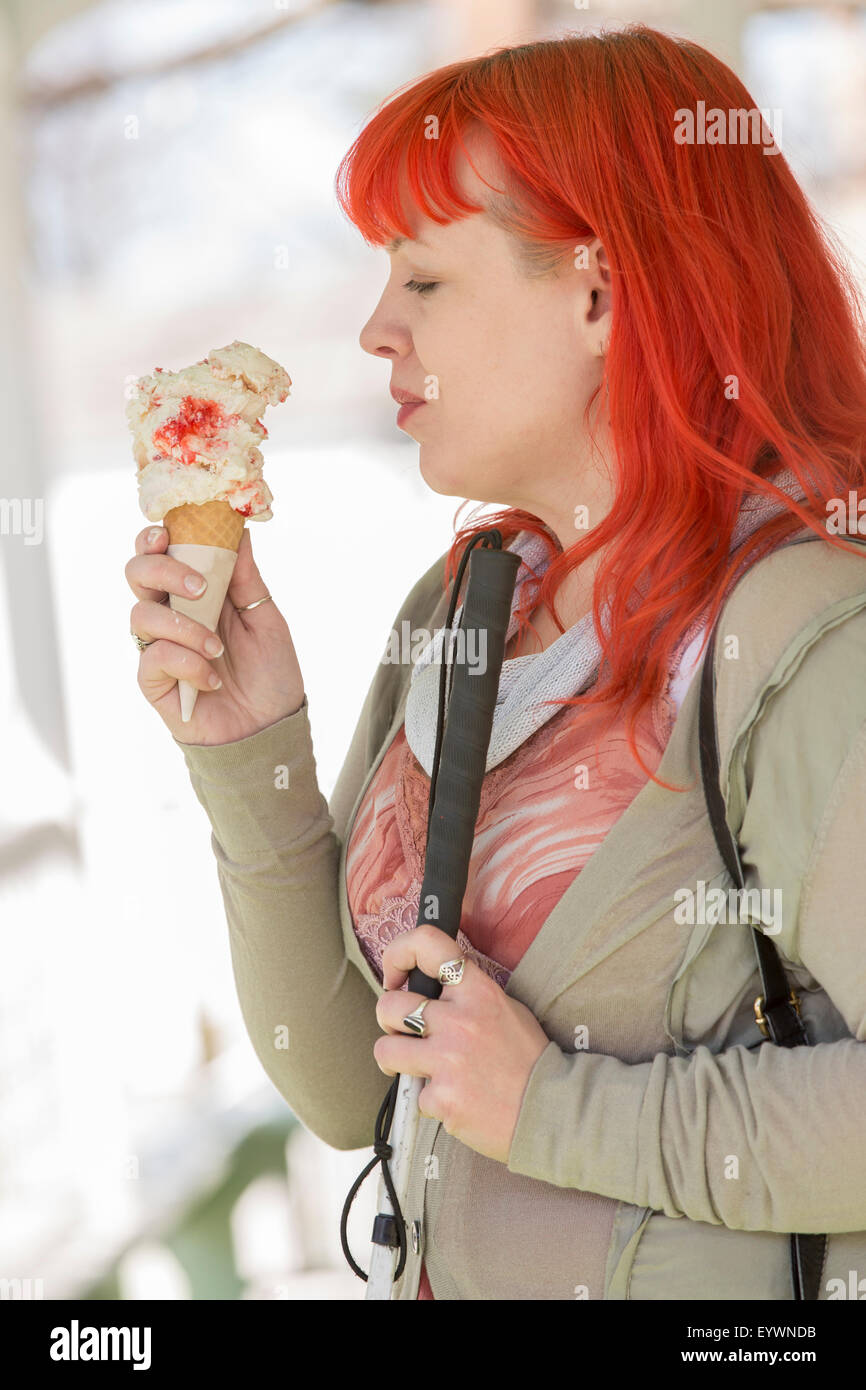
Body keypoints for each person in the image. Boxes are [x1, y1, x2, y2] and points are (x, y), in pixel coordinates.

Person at [125, 26, 866, 1300]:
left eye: (423, 280)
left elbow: (512, 1104)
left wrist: (552, 1108)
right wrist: (250, 757)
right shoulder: (462, 609)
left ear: (597, 294)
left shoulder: (802, 636)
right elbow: (351, 1085)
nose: (372, 328)